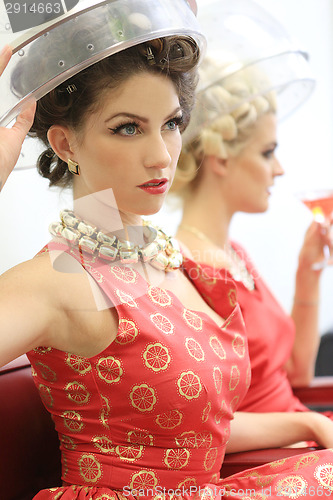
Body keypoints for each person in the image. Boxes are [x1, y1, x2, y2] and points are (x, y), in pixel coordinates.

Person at [2, 3, 333, 498]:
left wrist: (308, 428)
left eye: (172, 123)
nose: (161, 155)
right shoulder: (58, 279)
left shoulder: (169, 259)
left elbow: (190, 432)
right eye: (128, 127)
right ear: (66, 144)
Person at [170, 57, 332, 419]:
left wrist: (309, 274)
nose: (280, 169)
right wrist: (308, 428)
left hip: (302, 438)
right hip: (269, 461)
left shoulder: (235, 254)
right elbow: (202, 421)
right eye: (267, 152)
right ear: (221, 158)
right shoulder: (184, 269)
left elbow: (296, 374)